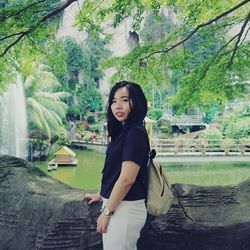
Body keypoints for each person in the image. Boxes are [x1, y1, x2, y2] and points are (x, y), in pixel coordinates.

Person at [83, 81, 150, 250]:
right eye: (113, 101)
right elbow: (116, 172)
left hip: (125, 209)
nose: (117, 106)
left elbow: (127, 179)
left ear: (137, 102)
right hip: (118, 206)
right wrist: (101, 194)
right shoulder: (123, 131)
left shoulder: (135, 133)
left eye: (125, 100)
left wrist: (106, 213)